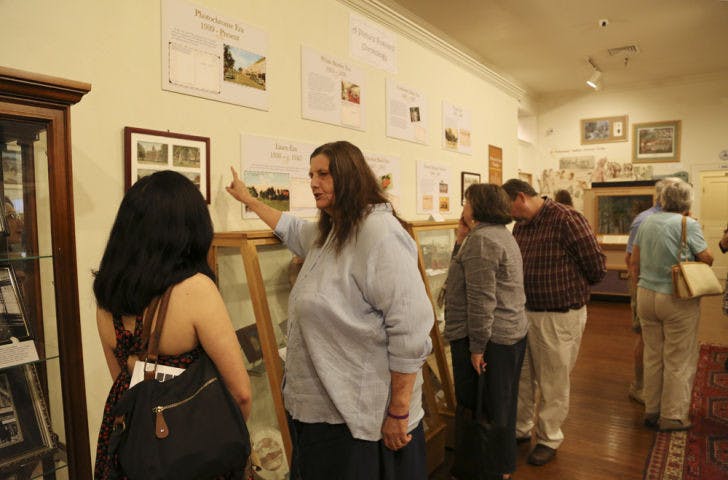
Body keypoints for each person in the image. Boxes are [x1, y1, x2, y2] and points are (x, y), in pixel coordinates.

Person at [226, 140, 433, 479]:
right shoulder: (333, 229)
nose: (313, 182)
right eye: (310, 174)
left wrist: (398, 413)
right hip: (323, 413)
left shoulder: (378, 233)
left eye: (323, 174)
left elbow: (410, 331)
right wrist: (249, 200)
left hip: (361, 419)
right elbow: (292, 229)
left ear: (349, 177)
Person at [93, 171, 252, 479]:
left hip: (133, 449)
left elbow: (126, 385)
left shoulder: (106, 296)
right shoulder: (196, 289)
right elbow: (241, 393)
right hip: (192, 454)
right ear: (190, 229)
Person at [501, 179, 606, 466]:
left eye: (509, 206)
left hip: (559, 317)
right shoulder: (521, 224)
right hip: (525, 314)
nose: (508, 214)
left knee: (553, 380)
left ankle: (548, 437)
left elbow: (596, 268)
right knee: (522, 378)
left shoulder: (567, 219)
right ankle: (521, 428)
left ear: (521, 197)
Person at [443, 184, 528, 480]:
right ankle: (500, 467)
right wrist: (461, 239)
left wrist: (477, 348)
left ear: (478, 207)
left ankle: (483, 471)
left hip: (488, 340)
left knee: (482, 410)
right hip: (507, 336)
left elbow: (481, 301)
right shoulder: (498, 235)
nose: (463, 208)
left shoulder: (483, 241)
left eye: (466, 202)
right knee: (500, 406)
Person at [630, 180, 713, 431]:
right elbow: (707, 258)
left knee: (653, 355)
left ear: (662, 200)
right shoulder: (689, 224)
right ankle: (673, 416)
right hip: (676, 297)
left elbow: (635, 260)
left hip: (646, 294)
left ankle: (652, 410)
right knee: (679, 357)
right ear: (688, 201)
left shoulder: (646, 222)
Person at [624, 178, 679, 404]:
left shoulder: (665, 218)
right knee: (644, 337)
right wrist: (638, 294)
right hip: (645, 286)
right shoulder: (644, 220)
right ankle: (639, 385)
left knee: (658, 339)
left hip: (659, 289)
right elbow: (631, 260)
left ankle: (655, 385)